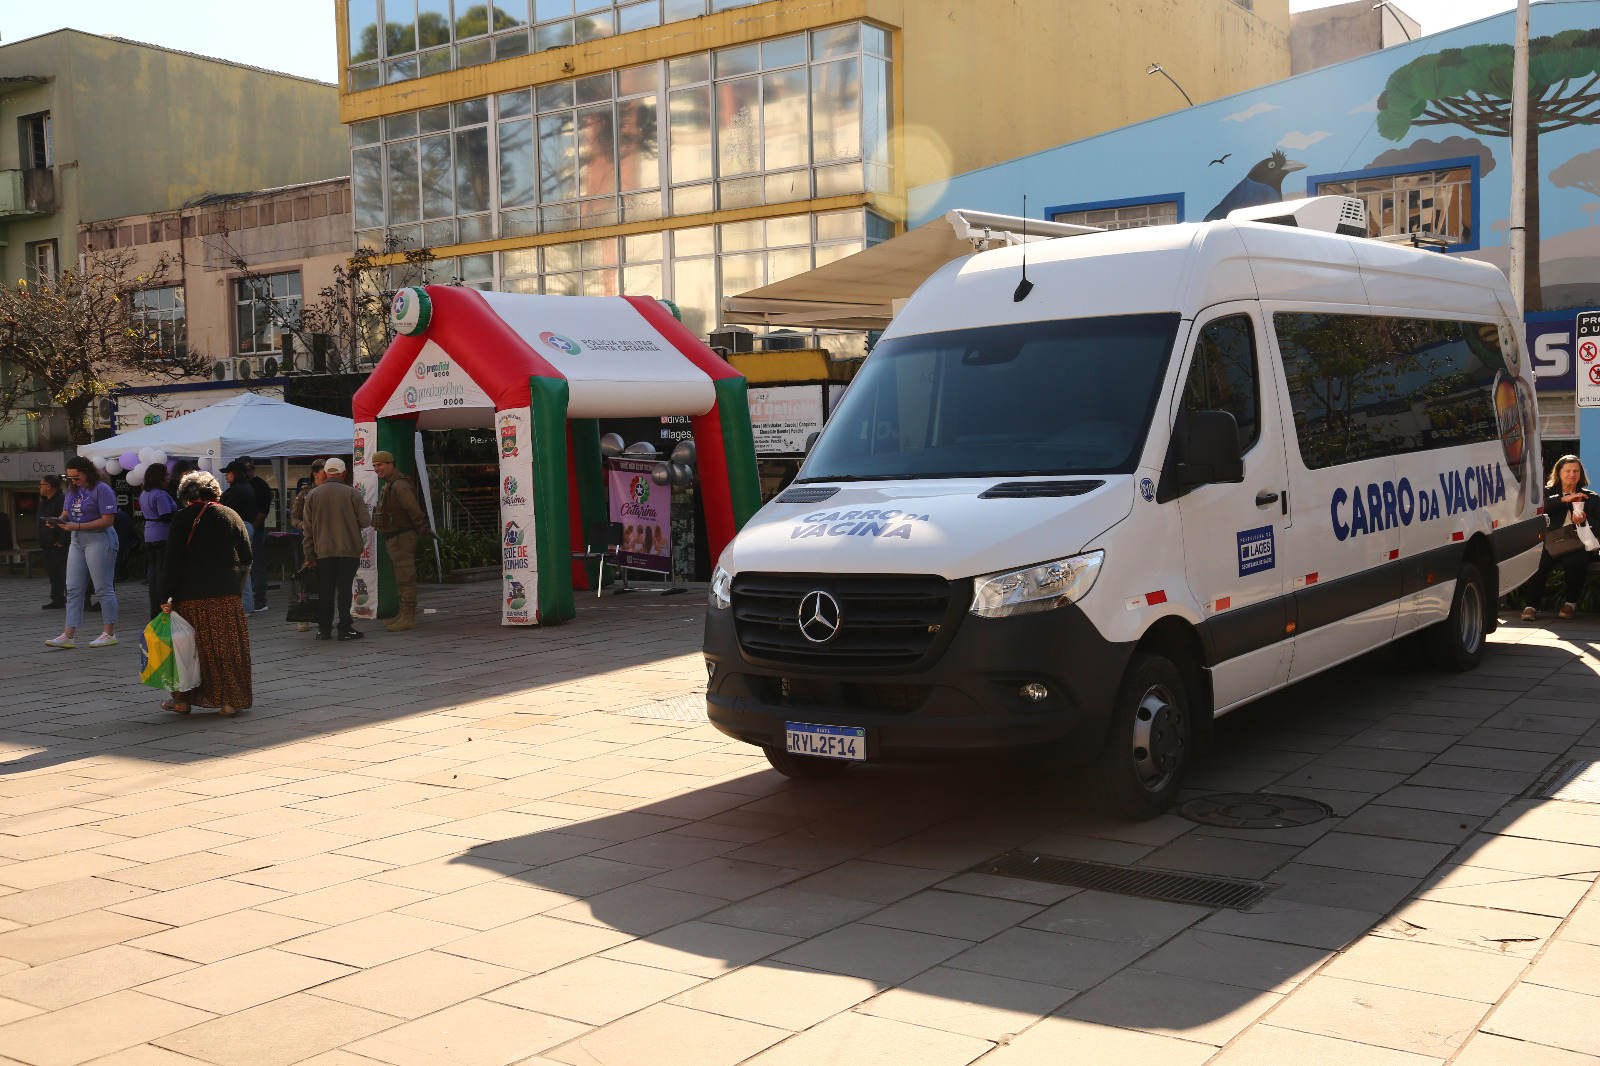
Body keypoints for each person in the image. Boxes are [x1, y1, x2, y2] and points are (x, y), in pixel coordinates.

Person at [159, 471, 253, 716]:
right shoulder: (230, 515)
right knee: (227, 649)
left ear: (185, 494)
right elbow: (247, 555)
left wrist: (165, 596)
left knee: (188, 650)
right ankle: (231, 701)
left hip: (191, 596)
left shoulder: (182, 518)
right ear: (214, 491)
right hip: (226, 595)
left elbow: (173, 562)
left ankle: (182, 700)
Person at [44, 457, 119, 649]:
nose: (73, 481)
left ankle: (109, 633)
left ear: (87, 472)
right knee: (73, 588)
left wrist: (77, 526)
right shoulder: (72, 490)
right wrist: (57, 521)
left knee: (102, 587)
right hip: (77, 540)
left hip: (99, 538)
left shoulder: (102, 489)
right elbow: (66, 514)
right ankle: (68, 635)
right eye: (69, 477)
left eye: (76, 477)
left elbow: (108, 520)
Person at [1521, 454, 1600, 621]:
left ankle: (1570, 604)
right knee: (1538, 560)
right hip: (1551, 542)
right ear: (1559, 473)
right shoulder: (1546, 493)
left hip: (1578, 543)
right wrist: (1563, 499)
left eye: (1576, 471)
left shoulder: (1591, 497)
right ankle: (1531, 606)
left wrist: (1585, 520)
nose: (1572, 474)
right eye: (1567, 471)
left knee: (1576, 561)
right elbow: (1536, 509)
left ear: (1581, 474)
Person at [300, 457, 371, 641]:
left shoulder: (313, 495)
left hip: (322, 550)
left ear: (325, 473)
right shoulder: (352, 493)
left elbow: (307, 529)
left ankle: (324, 629)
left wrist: (309, 554)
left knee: (326, 589)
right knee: (345, 588)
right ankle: (345, 627)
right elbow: (365, 521)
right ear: (344, 473)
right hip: (348, 549)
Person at [371, 450, 432, 632]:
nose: (376, 469)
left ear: (390, 464)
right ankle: (403, 613)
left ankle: (408, 617)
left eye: (379, 465)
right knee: (400, 576)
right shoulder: (391, 484)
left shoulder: (399, 485)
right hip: (395, 536)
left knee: (405, 576)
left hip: (402, 536)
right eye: (374, 465)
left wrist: (420, 525)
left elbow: (413, 509)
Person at [289, 459, 327, 632]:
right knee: (306, 580)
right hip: (309, 542)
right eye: (324, 473)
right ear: (315, 474)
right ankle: (303, 617)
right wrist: (301, 525)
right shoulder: (304, 493)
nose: (327, 476)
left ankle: (323, 616)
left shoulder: (332, 490)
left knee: (326, 580)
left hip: (328, 541)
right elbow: (294, 517)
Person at [139, 464, 178, 620]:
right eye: (166, 475)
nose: (168, 478)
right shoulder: (160, 494)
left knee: (155, 573)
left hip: (150, 535)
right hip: (162, 534)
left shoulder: (144, 493)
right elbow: (165, 516)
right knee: (163, 574)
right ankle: (162, 607)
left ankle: (155, 608)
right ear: (159, 477)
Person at [220, 462, 258, 612]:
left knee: (241, 568)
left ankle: (245, 607)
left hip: (238, 527)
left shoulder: (239, 490)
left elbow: (225, 510)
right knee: (243, 567)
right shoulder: (243, 488)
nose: (226, 475)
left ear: (236, 473)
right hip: (244, 526)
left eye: (228, 472)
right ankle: (245, 606)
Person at [244, 457, 272, 613]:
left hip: (256, 529)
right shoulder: (238, 486)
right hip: (244, 529)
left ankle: (260, 599)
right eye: (244, 470)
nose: (246, 473)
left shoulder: (260, 485)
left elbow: (263, 510)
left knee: (257, 564)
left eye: (249, 470)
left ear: (253, 469)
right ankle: (250, 599)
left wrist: (252, 528)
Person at [37, 474, 69, 609]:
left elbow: (66, 521)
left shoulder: (62, 500)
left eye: (41, 485)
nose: (39, 487)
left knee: (64, 572)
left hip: (58, 544)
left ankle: (73, 598)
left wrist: (61, 540)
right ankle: (57, 598)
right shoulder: (44, 502)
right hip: (47, 543)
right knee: (53, 573)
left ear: (48, 486)